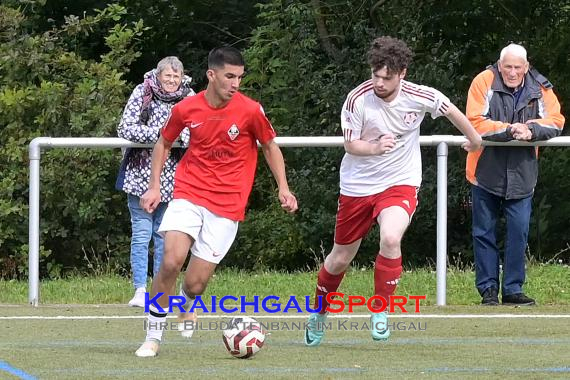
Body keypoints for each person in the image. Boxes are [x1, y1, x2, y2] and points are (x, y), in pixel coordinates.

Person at [304, 36, 482, 347]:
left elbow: (452, 111)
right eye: (375, 74)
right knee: (340, 258)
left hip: (400, 180)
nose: (379, 82)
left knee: (390, 237)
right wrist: (374, 148)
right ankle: (319, 311)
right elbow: (350, 144)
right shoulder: (357, 99)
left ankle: (380, 310)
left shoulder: (419, 95)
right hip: (358, 185)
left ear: (402, 73)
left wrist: (476, 140)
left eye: (387, 77)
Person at [134, 46, 298, 357]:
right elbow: (164, 143)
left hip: (227, 205)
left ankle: (186, 301)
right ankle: (153, 336)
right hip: (189, 192)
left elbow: (269, 146)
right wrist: (154, 187)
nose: (235, 83)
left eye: (239, 77)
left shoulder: (250, 110)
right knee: (170, 260)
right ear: (212, 75)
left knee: (195, 284)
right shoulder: (186, 109)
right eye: (229, 76)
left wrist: (283, 188)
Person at [465, 43, 564, 306]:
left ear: (526, 67)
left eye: (517, 67)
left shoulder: (541, 87)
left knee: (519, 232)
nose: (511, 72)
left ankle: (512, 289)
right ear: (499, 66)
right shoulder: (483, 81)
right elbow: (474, 122)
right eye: (507, 67)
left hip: (523, 175)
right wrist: (510, 130)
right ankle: (488, 291)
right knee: (483, 233)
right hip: (484, 172)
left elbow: (556, 121)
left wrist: (531, 129)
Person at [116, 56, 195, 307]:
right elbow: (125, 128)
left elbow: (196, 131)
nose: (172, 81)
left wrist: (174, 138)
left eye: (176, 76)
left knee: (165, 236)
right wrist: (164, 136)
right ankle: (139, 290)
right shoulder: (143, 91)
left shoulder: (190, 95)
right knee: (141, 234)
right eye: (167, 76)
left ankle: (162, 291)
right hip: (140, 175)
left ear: (181, 77)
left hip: (175, 177)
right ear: (158, 75)